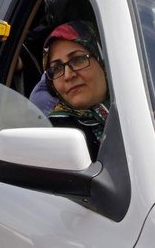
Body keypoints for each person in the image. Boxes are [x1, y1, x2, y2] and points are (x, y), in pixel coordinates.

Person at [42, 21, 109, 160]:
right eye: (57, 68)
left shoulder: (148, 107)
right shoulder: (56, 134)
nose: (68, 75)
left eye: (78, 60)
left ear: (103, 61)